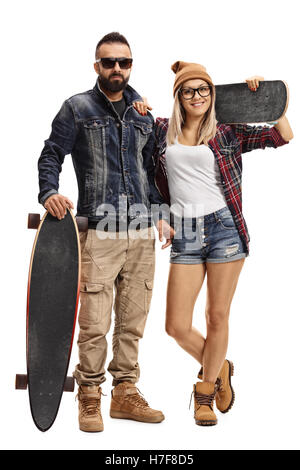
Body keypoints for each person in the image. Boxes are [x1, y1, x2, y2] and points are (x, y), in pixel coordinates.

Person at [37, 32, 173, 432]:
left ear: (131, 65)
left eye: (124, 62)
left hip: (142, 231)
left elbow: (152, 170)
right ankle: (91, 395)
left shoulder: (142, 111)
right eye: (109, 62)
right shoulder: (77, 108)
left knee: (133, 320)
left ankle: (126, 393)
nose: (117, 69)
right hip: (99, 231)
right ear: (97, 65)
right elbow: (51, 153)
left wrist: (162, 211)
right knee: (94, 321)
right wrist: (49, 192)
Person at [150, 61, 293, 426]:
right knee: (176, 326)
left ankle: (205, 393)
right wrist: (160, 215)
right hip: (186, 233)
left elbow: (282, 136)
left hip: (223, 228)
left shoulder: (227, 131)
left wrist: (264, 101)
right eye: (189, 90)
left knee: (217, 316)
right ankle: (219, 364)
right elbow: (148, 176)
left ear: (212, 94)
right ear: (178, 96)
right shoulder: (161, 131)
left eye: (204, 89)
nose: (197, 96)